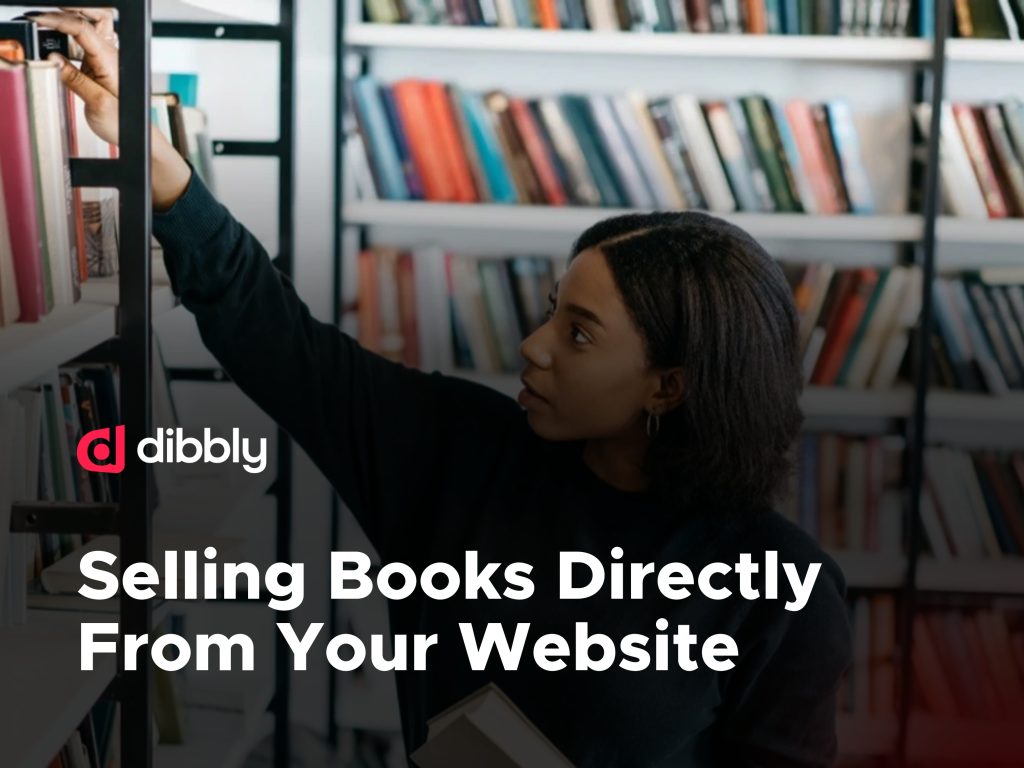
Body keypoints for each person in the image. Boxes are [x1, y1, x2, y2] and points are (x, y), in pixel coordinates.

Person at [38, 10, 852, 766]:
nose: (532, 347)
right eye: (548, 312)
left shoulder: (784, 591)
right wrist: (161, 171)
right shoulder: (457, 452)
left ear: (667, 386)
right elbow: (276, 339)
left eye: (578, 333)